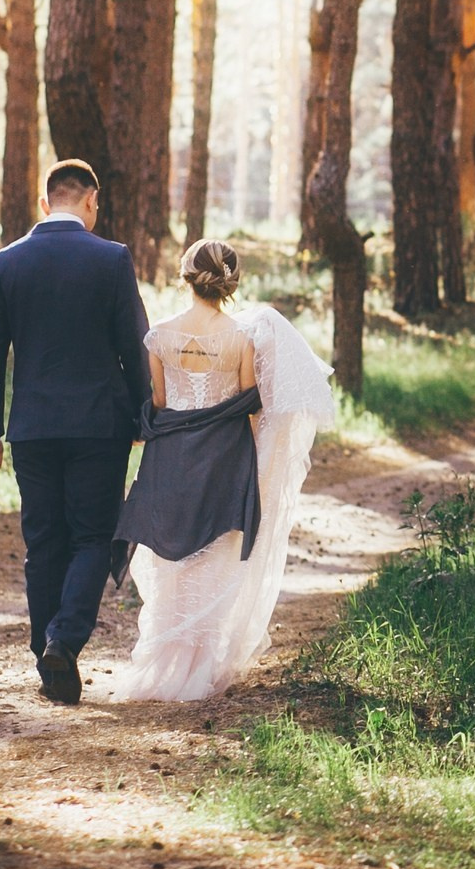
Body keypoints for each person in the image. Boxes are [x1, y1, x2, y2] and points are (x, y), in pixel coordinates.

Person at [108, 240, 336, 702]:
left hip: (171, 459)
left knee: (172, 561)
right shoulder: (244, 338)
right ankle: (198, 668)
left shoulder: (159, 338)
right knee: (213, 559)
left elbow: (159, 403)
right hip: (224, 460)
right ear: (230, 281)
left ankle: (164, 660)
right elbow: (250, 406)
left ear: (186, 276)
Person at [0, 159, 150, 705]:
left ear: (45, 202)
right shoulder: (112, 259)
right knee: (93, 537)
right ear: (91, 201)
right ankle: (64, 641)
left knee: (43, 541)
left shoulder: (5, 264)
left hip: (32, 429)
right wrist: (146, 416)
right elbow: (135, 346)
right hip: (100, 427)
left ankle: (47, 657)